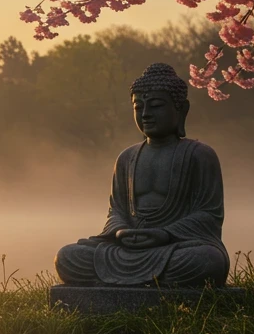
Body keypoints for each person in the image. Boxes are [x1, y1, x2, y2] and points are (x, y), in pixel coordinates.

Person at [54, 63, 229, 288]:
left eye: (156, 106)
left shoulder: (199, 155)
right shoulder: (127, 158)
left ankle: (130, 279)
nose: (146, 114)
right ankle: (153, 281)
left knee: (207, 261)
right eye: (138, 107)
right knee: (69, 257)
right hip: (126, 248)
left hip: (175, 247)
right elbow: (116, 210)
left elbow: (209, 215)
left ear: (181, 110)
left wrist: (165, 234)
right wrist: (119, 231)